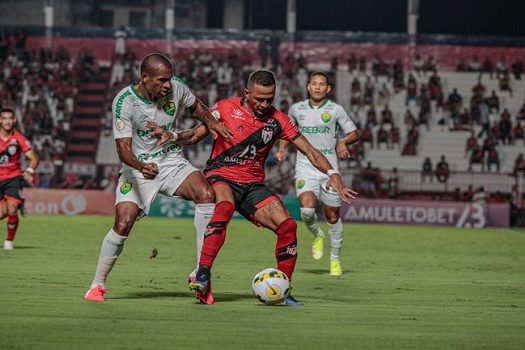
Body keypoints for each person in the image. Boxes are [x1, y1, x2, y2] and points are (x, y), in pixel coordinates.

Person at [181, 70, 357, 306]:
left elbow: (311, 151)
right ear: (247, 93)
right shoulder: (224, 108)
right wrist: (171, 136)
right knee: (224, 207)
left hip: (253, 184)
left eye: (269, 99)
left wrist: (332, 173)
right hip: (221, 175)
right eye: (259, 99)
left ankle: (284, 290)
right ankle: (202, 273)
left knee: (288, 226)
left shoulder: (279, 120)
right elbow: (194, 135)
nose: (264, 104)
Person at [83, 53, 232, 303]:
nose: (167, 85)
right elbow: (123, 150)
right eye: (162, 80)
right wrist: (141, 166)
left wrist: (213, 124)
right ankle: (97, 286)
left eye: (169, 79)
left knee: (207, 195)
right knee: (123, 223)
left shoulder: (176, 88)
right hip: (137, 168)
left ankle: (200, 274)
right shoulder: (125, 101)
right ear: (145, 77)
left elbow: (197, 107)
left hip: (171, 161)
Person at [275, 71, 360, 276]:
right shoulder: (297, 109)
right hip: (305, 166)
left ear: (328, 89)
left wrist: (342, 141)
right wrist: (282, 148)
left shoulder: (335, 110)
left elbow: (355, 133)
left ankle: (335, 260)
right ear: (308, 87)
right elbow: (288, 130)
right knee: (306, 211)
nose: (318, 87)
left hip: (330, 169)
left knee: (332, 216)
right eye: (314, 83)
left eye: (322, 84)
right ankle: (317, 234)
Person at [0, 108, 39, 250]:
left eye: (10, 118)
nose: (7, 121)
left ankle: (9, 241)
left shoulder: (19, 138)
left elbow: (33, 157)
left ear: (14, 120)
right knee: (2, 213)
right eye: (4, 118)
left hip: (13, 178)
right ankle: (20, 202)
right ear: (0, 120)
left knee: (12, 209)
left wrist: (29, 170)